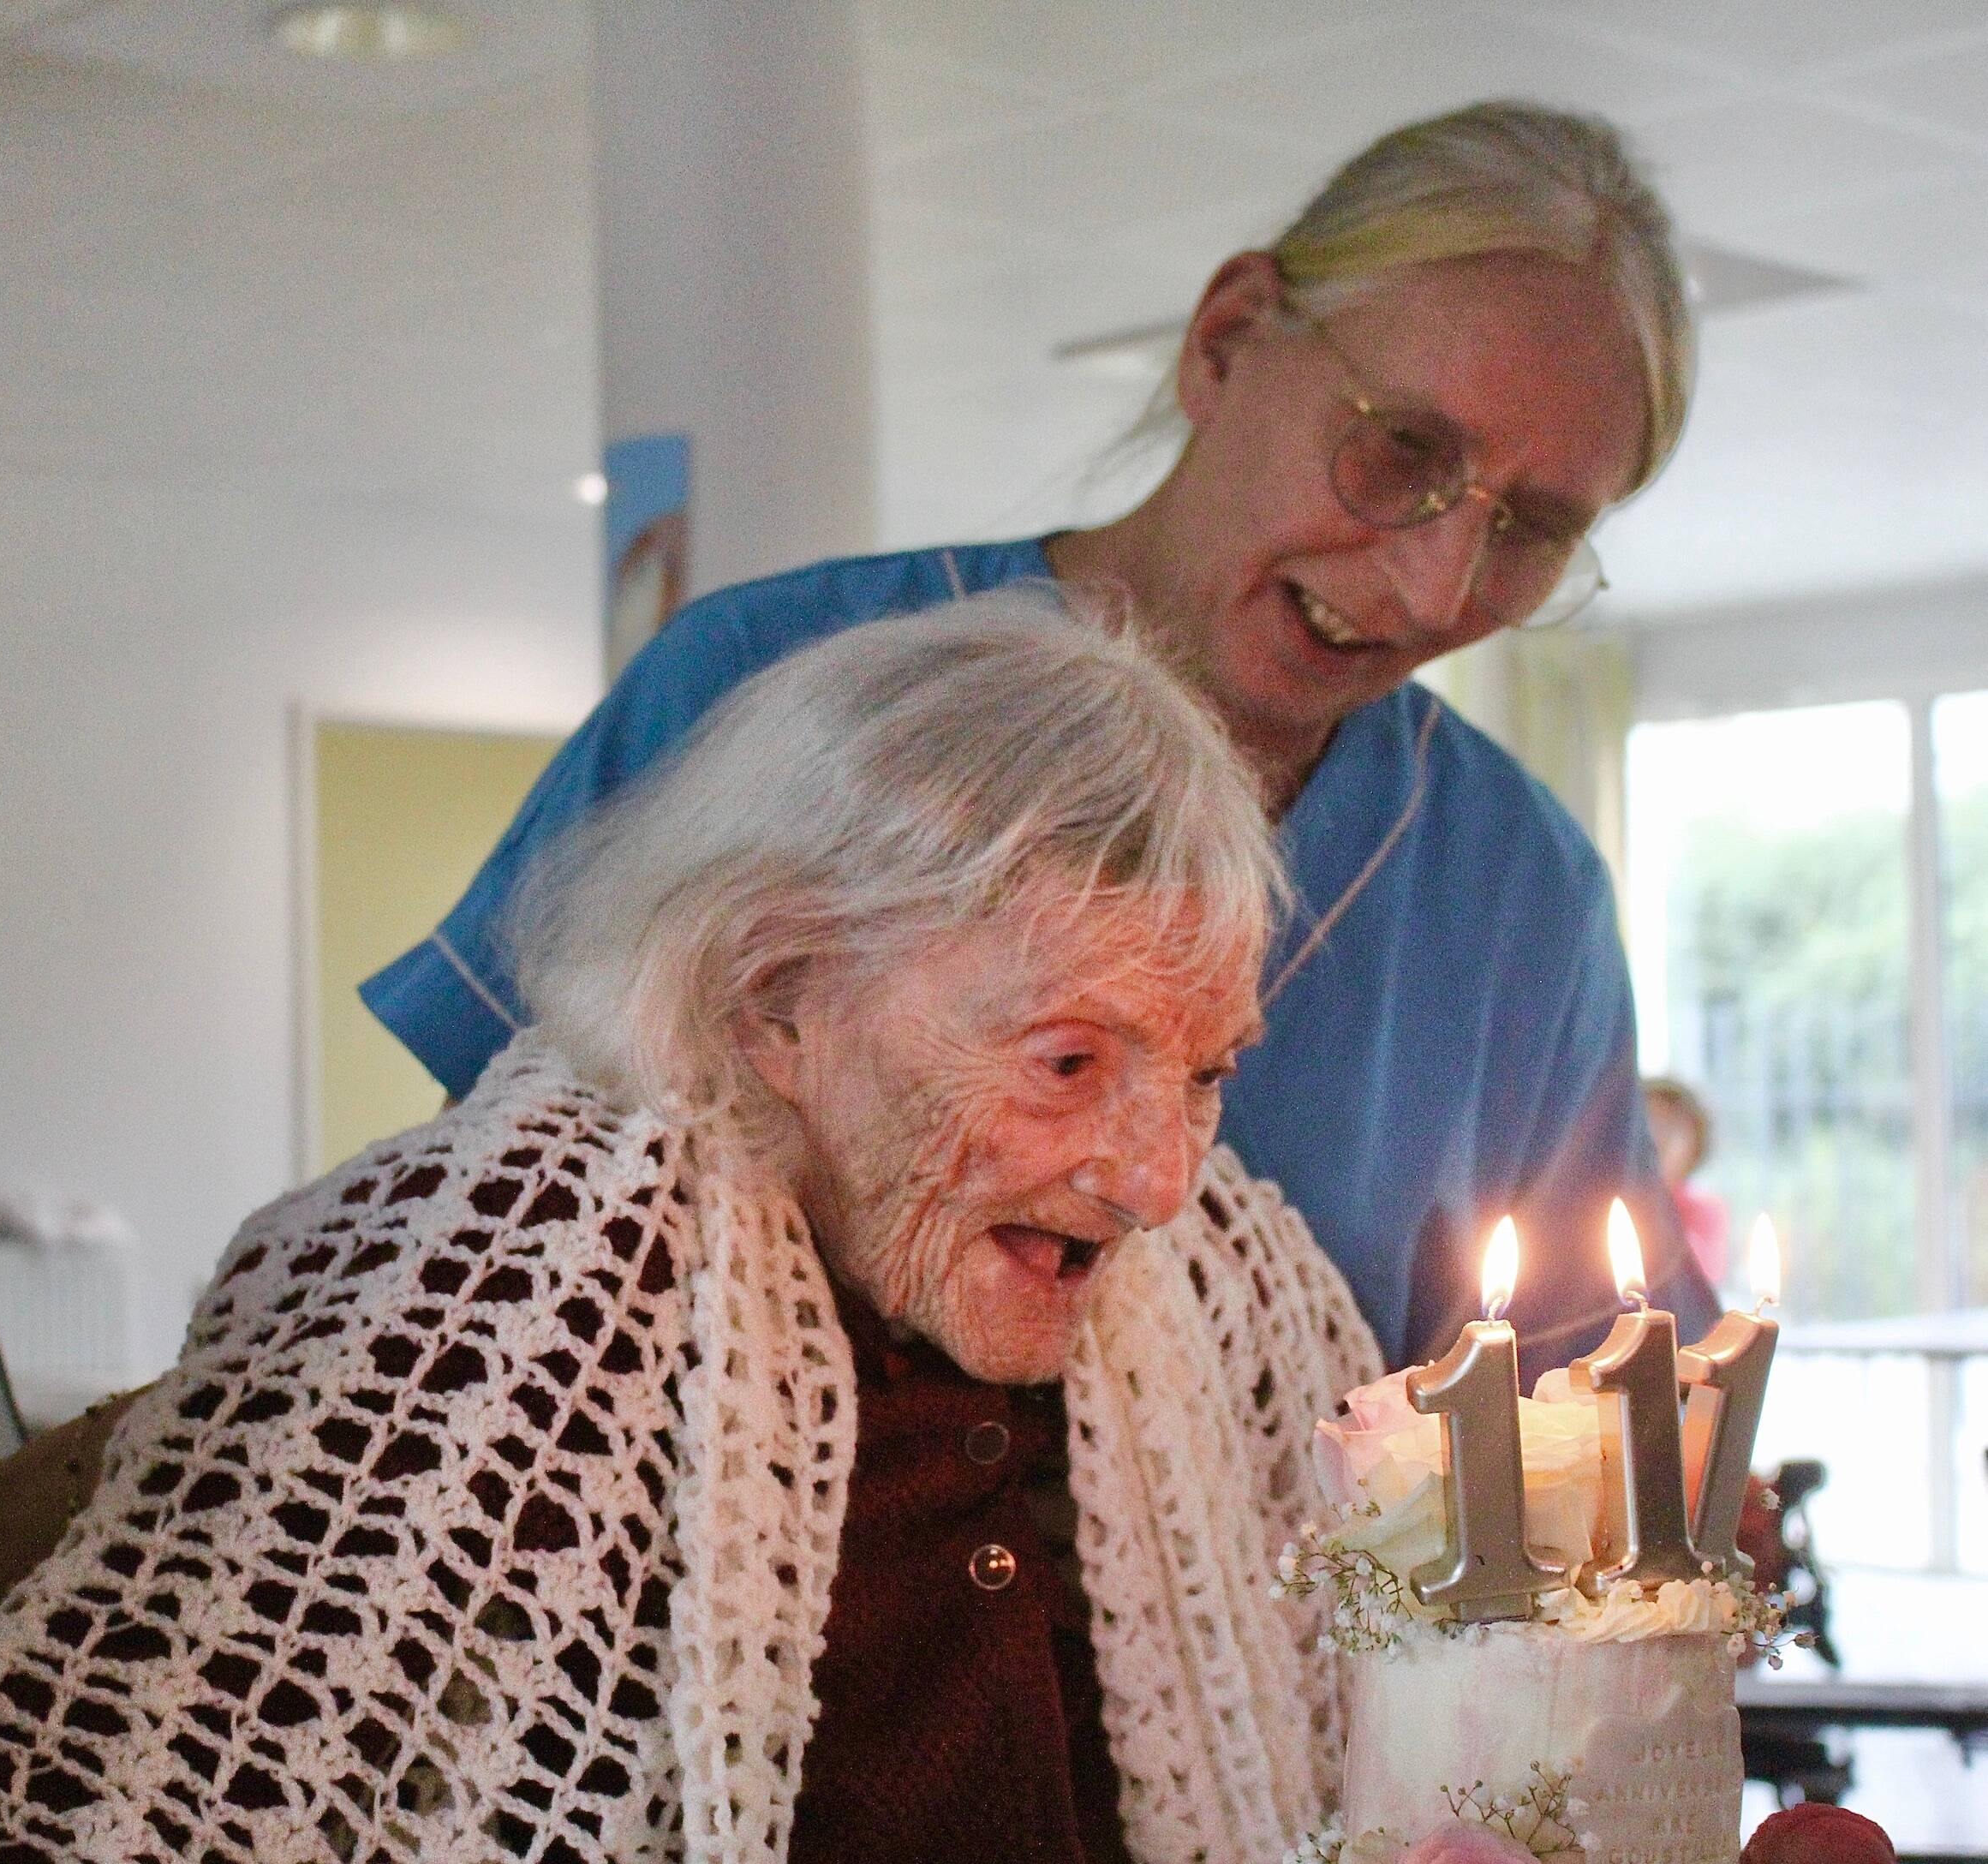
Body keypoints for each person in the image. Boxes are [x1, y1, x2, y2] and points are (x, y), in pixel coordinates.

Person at [0, 598, 1381, 1864]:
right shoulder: (491, 1299)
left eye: (1202, 1071)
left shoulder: (1221, 1294)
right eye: (1067, 1063)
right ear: (774, 999)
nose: (1156, 1181)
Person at [361, 101, 1718, 1383]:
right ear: (1226, 338)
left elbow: (1576, 1402)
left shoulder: (1508, 887)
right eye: (1401, 449)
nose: (1433, 588)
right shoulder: (756, 683)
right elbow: (492, 1243)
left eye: (1530, 529)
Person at [1644, 1074, 1732, 1286]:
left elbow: (1702, 1274)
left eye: (1670, 1126)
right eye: (1649, 1120)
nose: (1656, 1136)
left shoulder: (1703, 1208)